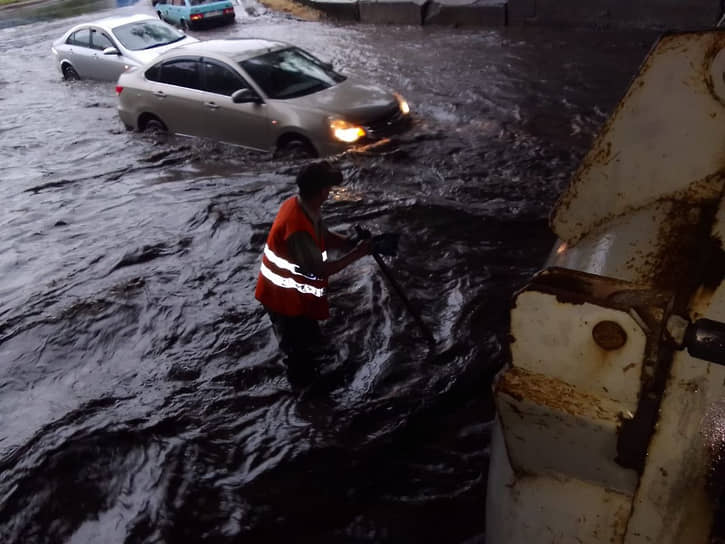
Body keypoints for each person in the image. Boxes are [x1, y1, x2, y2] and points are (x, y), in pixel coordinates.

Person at [255, 161, 371, 385]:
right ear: (322, 191)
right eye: (328, 187)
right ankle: (307, 400)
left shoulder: (301, 205)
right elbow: (321, 269)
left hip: (295, 297)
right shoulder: (298, 227)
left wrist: (348, 242)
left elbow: (323, 234)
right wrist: (358, 253)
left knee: (312, 341)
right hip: (282, 301)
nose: (330, 191)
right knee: (298, 358)